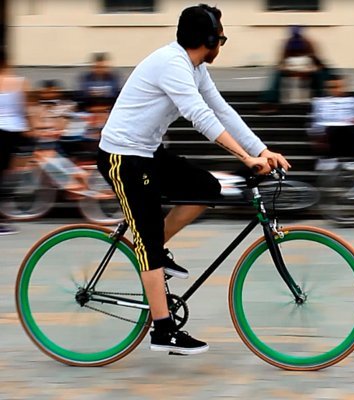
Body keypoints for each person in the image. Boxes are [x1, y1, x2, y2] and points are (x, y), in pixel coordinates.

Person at [97, 3, 290, 355]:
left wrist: (261, 150)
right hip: (122, 158)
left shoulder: (194, 67)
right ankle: (163, 330)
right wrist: (245, 158)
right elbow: (198, 115)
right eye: (222, 39)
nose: (222, 45)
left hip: (148, 153)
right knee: (150, 246)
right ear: (209, 40)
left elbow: (220, 109)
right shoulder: (173, 65)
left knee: (206, 188)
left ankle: (153, 248)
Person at [0, 46, 32, 235]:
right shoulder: (19, 82)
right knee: (6, 175)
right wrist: (32, 127)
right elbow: (25, 109)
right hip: (13, 132)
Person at [261, 25, 329, 109]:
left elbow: (317, 62)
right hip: (291, 69)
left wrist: (310, 69)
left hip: (308, 70)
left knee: (321, 74)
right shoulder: (287, 43)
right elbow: (281, 62)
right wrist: (286, 68)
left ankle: (321, 98)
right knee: (277, 74)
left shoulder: (309, 43)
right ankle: (271, 100)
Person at [310, 74, 354, 160]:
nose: (336, 90)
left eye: (338, 86)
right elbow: (316, 121)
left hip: (348, 131)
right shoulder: (320, 102)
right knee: (331, 129)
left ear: (344, 87)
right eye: (332, 87)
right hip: (330, 132)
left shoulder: (353, 101)